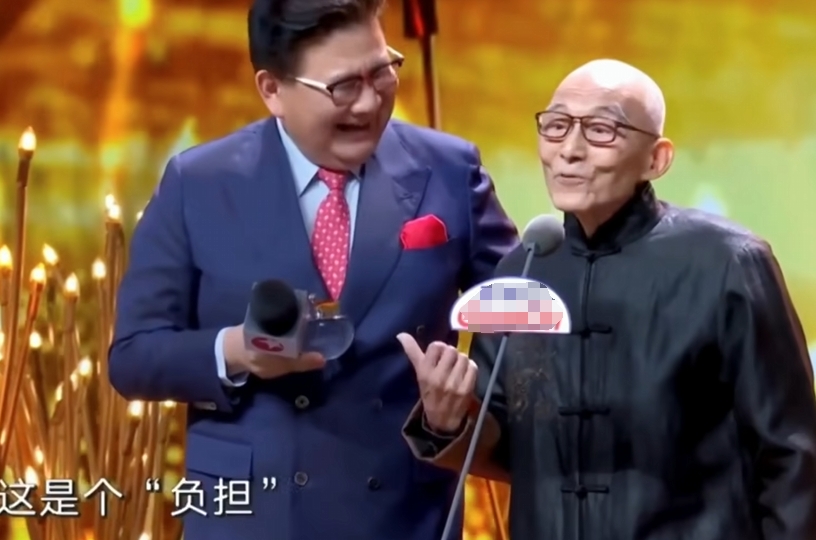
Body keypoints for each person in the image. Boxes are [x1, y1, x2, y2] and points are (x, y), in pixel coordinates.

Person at [107, 0, 518, 539]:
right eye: (343, 86)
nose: (369, 102)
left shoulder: (448, 170)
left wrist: (458, 402)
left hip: (400, 514)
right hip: (250, 517)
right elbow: (133, 356)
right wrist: (238, 352)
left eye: (382, 71)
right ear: (272, 89)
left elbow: (522, 318)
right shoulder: (199, 183)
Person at [401, 59, 816, 540]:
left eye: (601, 130)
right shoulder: (523, 269)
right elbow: (508, 445)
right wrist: (448, 418)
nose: (569, 151)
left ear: (656, 159)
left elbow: (790, 453)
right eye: (556, 126)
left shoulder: (728, 263)